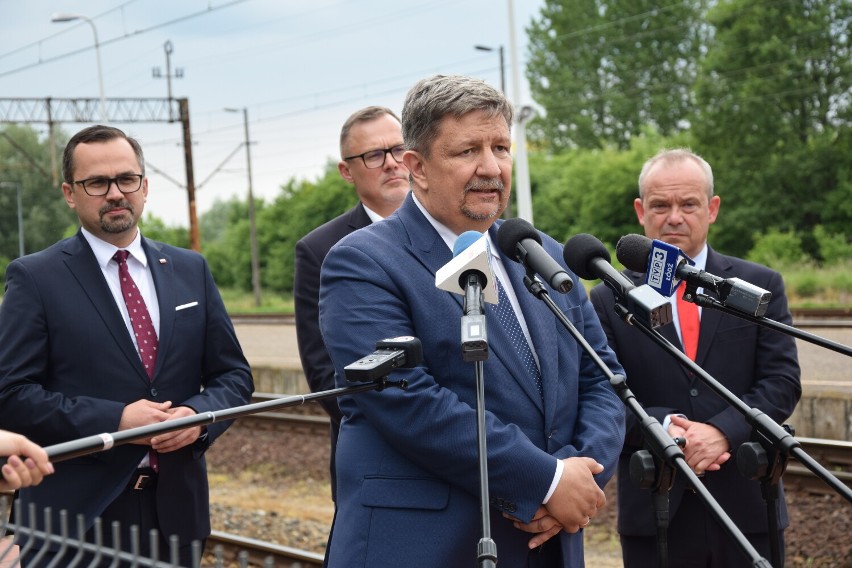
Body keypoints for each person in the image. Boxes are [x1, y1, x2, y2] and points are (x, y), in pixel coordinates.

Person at [318, 74, 626, 567]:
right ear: (416, 167)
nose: (491, 167)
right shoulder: (362, 262)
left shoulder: (542, 253)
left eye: (501, 147)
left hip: (546, 543)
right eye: (467, 152)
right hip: (428, 546)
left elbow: (603, 378)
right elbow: (406, 399)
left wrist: (581, 476)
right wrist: (545, 480)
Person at [0, 125, 254, 566]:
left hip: (176, 514)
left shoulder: (190, 269)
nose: (115, 193)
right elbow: (10, 394)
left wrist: (198, 418)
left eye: (127, 179)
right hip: (75, 519)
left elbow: (233, 376)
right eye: (97, 183)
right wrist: (115, 420)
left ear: (144, 186)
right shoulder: (35, 278)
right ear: (69, 193)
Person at [589, 148, 801, 567]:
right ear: (640, 211)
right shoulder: (608, 299)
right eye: (660, 205)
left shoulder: (759, 286)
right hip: (657, 508)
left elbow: (782, 382)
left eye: (688, 204)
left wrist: (722, 432)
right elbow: (602, 396)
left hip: (748, 502)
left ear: (712, 209)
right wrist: (667, 429)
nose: (674, 217)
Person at [294, 105, 409, 565]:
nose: (392, 162)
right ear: (347, 170)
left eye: (399, 148)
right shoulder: (321, 249)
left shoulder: (459, 232)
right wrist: (414, 426)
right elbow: (325, 372)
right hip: (376, 457)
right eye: (375, 155)